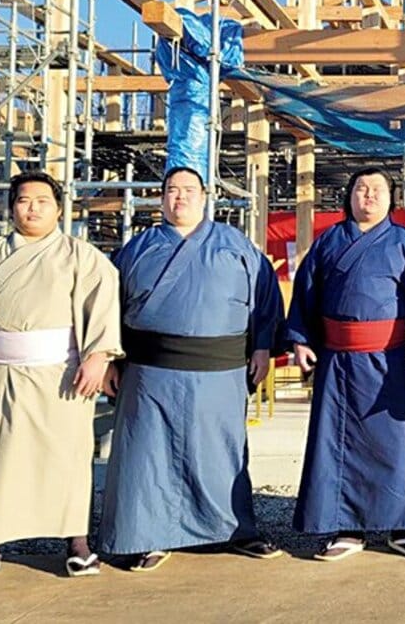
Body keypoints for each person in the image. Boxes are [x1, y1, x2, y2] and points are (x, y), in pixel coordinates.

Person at [0, 171, 122, 584]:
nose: (32, 208)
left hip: (60, 376)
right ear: (11, 206)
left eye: (42, 201)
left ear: (58, 208)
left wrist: (99, 356)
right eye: (23, 200)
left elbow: (102, 307)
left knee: (66, 460)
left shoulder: (82, 257)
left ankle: (77, 543)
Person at [98, 166, 284, 572]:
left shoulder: (237, 244)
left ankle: (233, 530)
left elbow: (265, 298)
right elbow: (107, 307)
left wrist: (264, 347)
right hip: (150, 370)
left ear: (205, 196)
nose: (179, 198)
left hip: (220, 369)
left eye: (187, 190)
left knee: (221, 451)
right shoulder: (137, 248)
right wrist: (111, 356)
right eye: (171, 191)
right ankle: (147, 536)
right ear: (161, 198)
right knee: (147, 455)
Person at [287, 167, 405, 561]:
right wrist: (299, 340)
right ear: (348, 196)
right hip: (338, 363)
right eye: (361, 188)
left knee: (394, 446)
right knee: (336, 445)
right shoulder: (329, 241)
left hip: (390, 362)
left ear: (391, 199)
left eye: (378, 189)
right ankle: (346, 528)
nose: (369, 195)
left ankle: (403, 527)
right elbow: (304, 296)